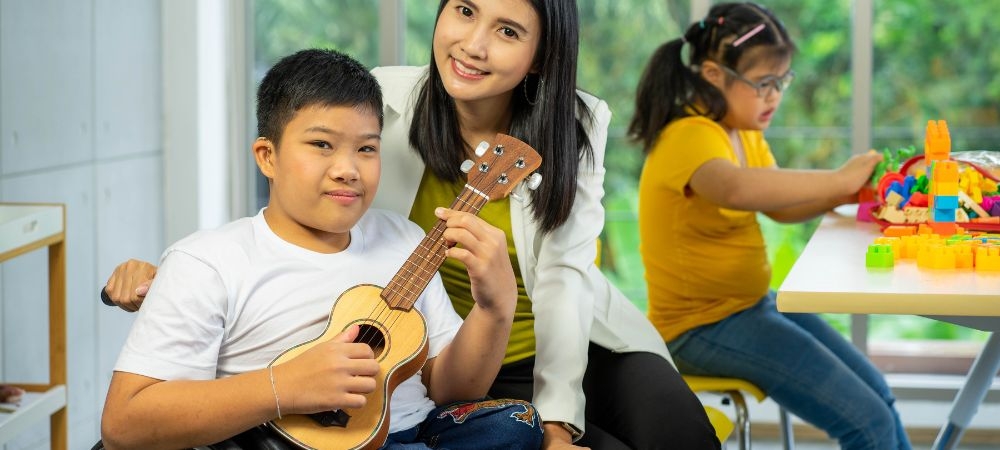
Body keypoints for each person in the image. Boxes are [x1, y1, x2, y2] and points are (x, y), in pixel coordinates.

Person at [104, 1, 721, 448]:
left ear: (541, 57)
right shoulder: (384, 99)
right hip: (431, 349)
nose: (473, 44)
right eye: (464, 11)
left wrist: (558, 420)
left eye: (507, 31)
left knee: (679, 433)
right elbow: (300, 204)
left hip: (558, 339)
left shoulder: (577, 121)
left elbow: (564, 275)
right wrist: (181, 273)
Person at [100, 48, 542, 450]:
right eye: (321, 145)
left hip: (411, 434)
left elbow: (451, 391)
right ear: (267, 156)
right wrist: (283, 387)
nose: (348, 169)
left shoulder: (405, 238)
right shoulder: (208, 262)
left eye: (366, 148)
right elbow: (123, 424)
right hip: (280, 437)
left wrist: (495, 308)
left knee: (516, 423)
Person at [627, 3, 911, 449]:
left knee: (878, 393)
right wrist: (838, 179)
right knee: (868, 424)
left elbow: (779, 205)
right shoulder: (689, 134)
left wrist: (848, 193)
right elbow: (737, 189)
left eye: (782, 81)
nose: (775, 96)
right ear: (713, 75)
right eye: (763, 84)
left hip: (750, 305)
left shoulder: (741, 131)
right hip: (700, 328)